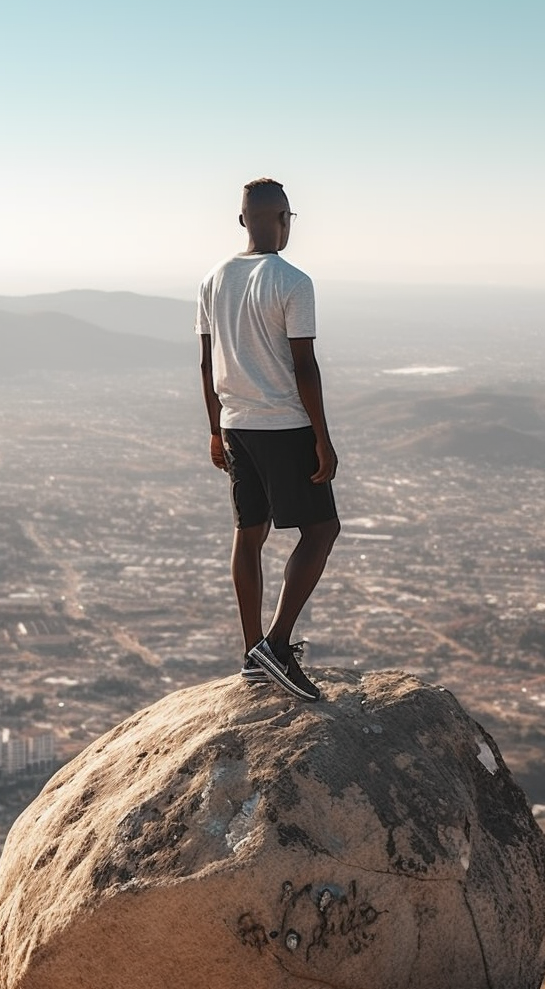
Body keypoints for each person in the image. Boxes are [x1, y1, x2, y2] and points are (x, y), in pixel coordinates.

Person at [197, 178, 340, 702]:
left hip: (236, 424)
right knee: (322, 530)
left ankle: (253, 650)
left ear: (242, 222)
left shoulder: (214, 279)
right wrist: (322, 439)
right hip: (283, 425)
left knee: (249, 532)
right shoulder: (293, 281)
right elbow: (304, 364)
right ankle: (276, 648)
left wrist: (215, 429)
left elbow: (207, 363)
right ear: (284, 219)